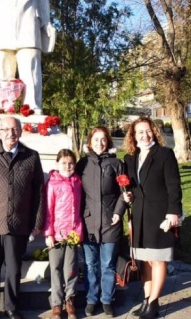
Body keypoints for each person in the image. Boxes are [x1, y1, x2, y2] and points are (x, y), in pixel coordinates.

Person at [0, 116, 45, 319]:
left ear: (20, 131)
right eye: (5, 129)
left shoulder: (31, 156)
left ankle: (12, 307)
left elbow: (39, 191)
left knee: (13, 270)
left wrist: (37, 222)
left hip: (17, 224)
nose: (10, 133)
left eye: (14, 129)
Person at [122, 117, 182, 319]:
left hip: (160, 215)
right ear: (133, 135)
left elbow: (174, 186)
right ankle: (147, 300)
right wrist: (127, 194)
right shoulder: (130, 158)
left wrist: (174, 212)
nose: (144, 135)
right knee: (145, 262)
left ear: (154, 132)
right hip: (139, 216)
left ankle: (154, 303)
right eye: (139, 132)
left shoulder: (165, 154)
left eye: (147, 131)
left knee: (158, 260)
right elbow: (130, 186)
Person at [75, 127, 128, 317]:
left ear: (108, 142)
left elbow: (125, 193)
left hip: (110, 222)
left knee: (108, 264)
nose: (100, 143)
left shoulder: (116, 164)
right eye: (96, 139)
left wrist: (118, 212)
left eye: (103, 139)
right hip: (89, 223)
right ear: (90, 142)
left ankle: (107, 300)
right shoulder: (82, 164)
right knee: (90, 264)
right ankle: (91, 299)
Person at [43, 149, 84, 319]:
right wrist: (48, 234)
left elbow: (80, 208)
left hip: (73, 234)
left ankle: (70, 300)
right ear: (57, 164)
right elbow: (48, 210)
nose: (67, 166)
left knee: (71, 269)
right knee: (56, 269)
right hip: (57, 235)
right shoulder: (52, 183)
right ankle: (57, 303)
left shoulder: (78, 182)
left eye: (71, 163)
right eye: (64, 163)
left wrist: (78, 232)